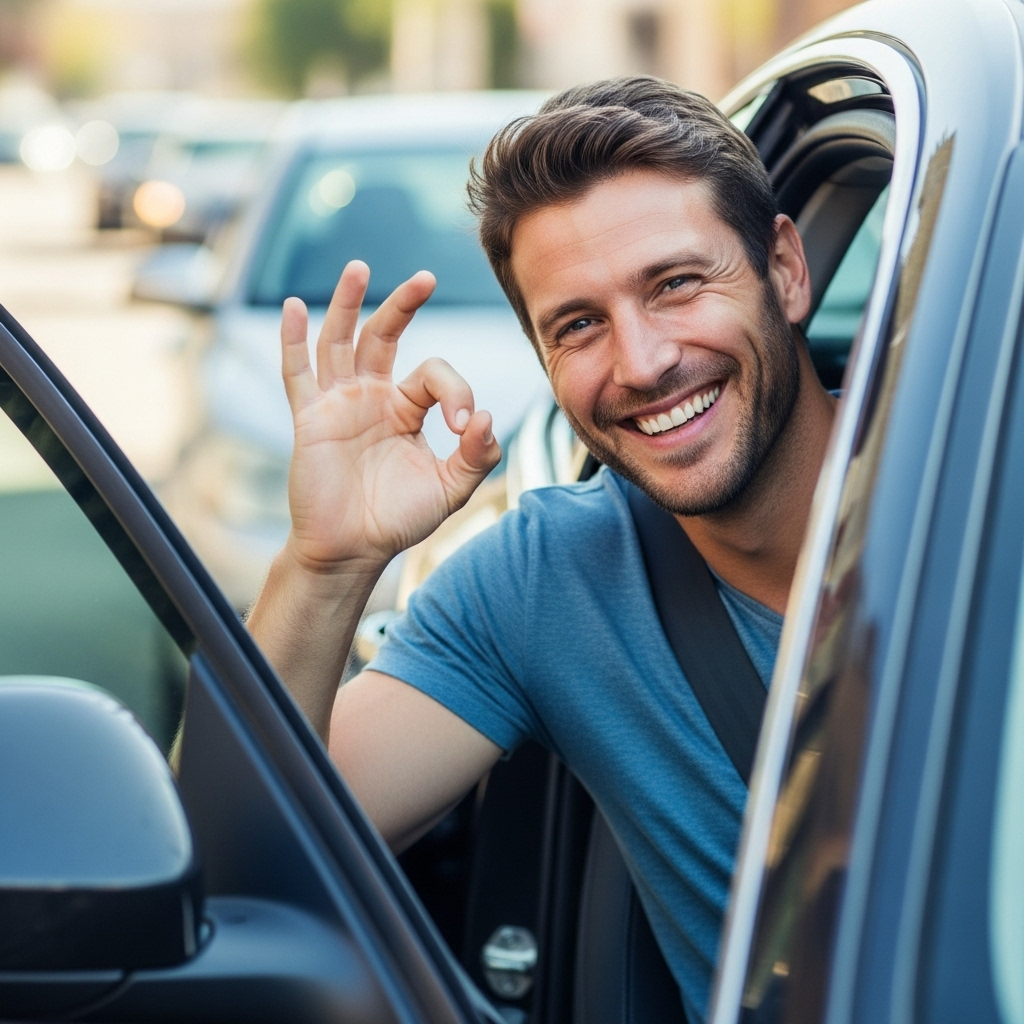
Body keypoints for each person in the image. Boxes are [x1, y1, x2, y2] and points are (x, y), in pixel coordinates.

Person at [246, 76, 836, 1022]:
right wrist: (327, 564)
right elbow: (236, 865)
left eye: (677, 284)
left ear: (786, 270)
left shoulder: (979, 494)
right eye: (579, 325)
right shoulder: (542, 582)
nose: (642, 363)